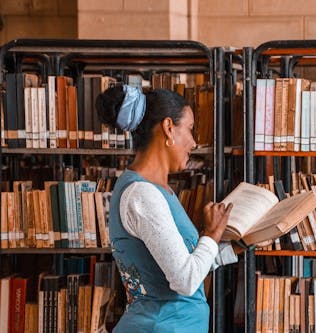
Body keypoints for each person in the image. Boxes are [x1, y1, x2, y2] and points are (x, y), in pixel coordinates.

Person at [95, 84, 236, 332]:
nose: (193, 143)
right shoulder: (142, 195)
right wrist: (211, 234)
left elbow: (185, 261)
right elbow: (185, 279)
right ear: (169, 128)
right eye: (190, 130)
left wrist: (236, 245)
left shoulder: (158, 190)